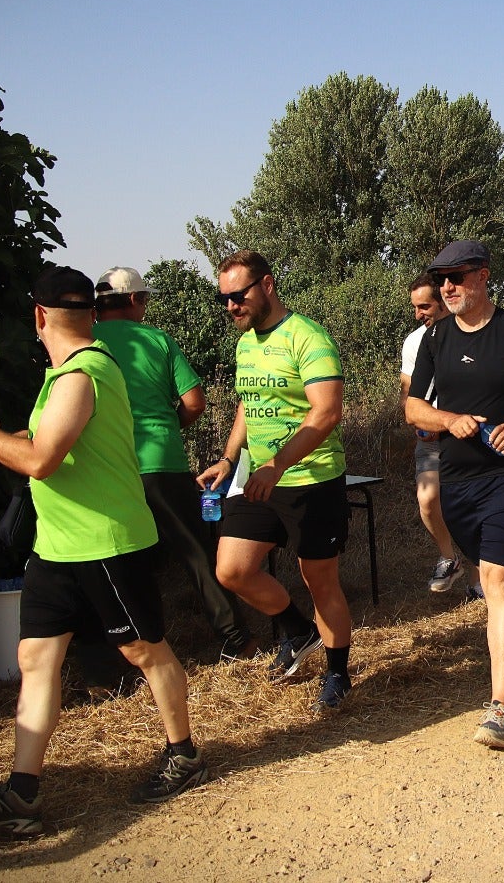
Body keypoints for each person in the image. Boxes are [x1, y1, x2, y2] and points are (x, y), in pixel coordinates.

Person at [0, 266, 206, 837]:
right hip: (57, 547)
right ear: (90, 312)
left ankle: (184, 754)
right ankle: (23, 792)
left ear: (38, 316)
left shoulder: (83, 373)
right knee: (36, 659)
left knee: (145, 651)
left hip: (106, 544)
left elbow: (41, 459)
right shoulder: (66, 375)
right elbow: (50, 447)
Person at [404, 240, 504, 750]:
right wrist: (448, 419)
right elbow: (412, 408)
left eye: (457, 276)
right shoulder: (434, 340)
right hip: (457, 483)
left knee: (497, 580)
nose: (447, 286)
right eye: (441, 277)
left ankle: (501, 710)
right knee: (503, 585)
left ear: (483, 277)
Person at [195, 250, 354, 712]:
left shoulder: (308, 337)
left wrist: (277, 465)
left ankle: (337, 672)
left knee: (319, 579)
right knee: (232, 569)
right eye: (223, 298)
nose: (230, 306)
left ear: (266, 284)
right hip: (260, 477)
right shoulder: (246, 342)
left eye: (237, 295)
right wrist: (229, 458)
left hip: (311, 477)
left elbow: (327, 412)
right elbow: (249, 403)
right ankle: (297, 629)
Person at [93, 266, 252, 659]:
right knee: (196, 553)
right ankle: (236, 638)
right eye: (144, 300)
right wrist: (167, 425)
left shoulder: (84, 342)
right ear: (133, 300)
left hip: (106, 467)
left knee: (114, 559)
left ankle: (124, 647)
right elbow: (195, 402)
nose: (145, 307)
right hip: (161, 462)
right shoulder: (156, 340)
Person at [400, 273, 467, 593]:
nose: (418, 314)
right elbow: (407, 392)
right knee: (427, 501)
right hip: (430, 439)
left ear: (443, 302)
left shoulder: (466, 333)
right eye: (415, 307)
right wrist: (419, 423)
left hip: (466, 437)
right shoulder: (414, 342)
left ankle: (482, 577)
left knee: (468, 507)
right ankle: (448, 558)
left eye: (424, 306)